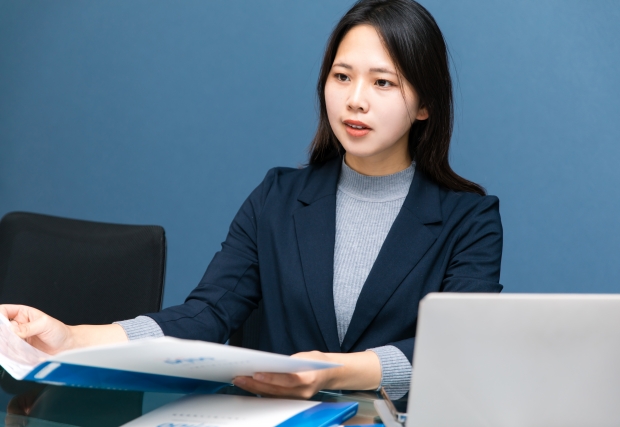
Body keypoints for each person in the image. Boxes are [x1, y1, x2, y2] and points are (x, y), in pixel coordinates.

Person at [0, 0, 502, 400]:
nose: (355, 99)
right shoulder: (277, 197)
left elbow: (458, 351)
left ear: (425, 104)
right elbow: (206, 314)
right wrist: (73, 337)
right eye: (342, 76)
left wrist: (332, 372)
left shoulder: (470, 220)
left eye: (383, 82)